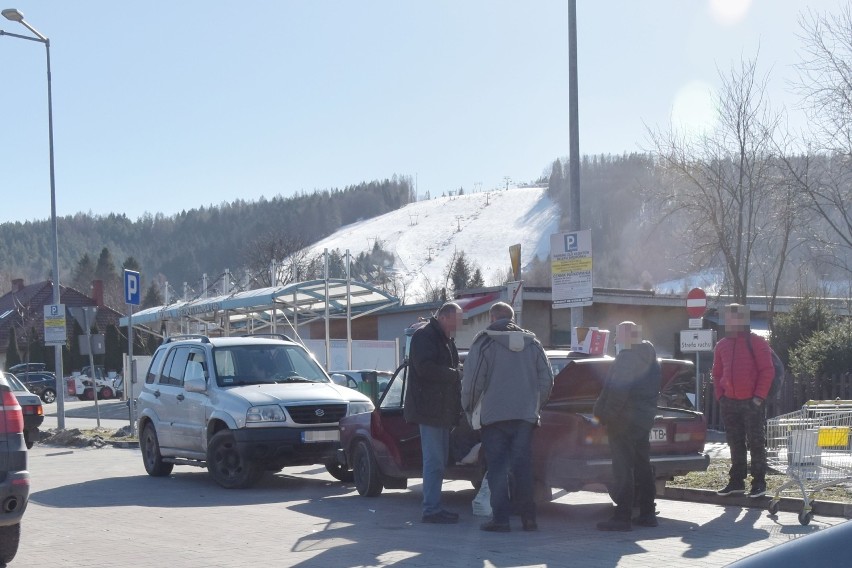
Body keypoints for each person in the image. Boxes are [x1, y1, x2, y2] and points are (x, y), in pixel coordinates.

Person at [461, 302, 553, 533]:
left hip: (493, 418)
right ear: (513, 319)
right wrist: (535, 406)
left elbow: (472, 383)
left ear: (492, 318)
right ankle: (529, 518)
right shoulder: (533, 344)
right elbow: (547, 380)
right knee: (523, 468)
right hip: (525, 417)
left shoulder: (485, 343)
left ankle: (501, 519)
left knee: (497, 469)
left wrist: (469, 408)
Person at [593, 321, 662, 532]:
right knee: (642, 466)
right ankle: (648, 513)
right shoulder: (652, 358)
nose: (615, 340)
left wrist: (604, 416)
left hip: (623, 421)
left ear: (626, 337)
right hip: (643, 420)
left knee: (622, 469)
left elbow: (618, 392)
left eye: (617, 335)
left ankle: (622, 516)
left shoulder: (627, 358)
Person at [403, 302, 463, 524]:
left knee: (439, 461)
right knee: (434, 461)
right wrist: (454, 375)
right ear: (445, 317)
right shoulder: (425, 336)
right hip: (429, 411)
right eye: (458, 318)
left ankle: (434, 506)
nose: (460, 324)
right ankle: (431, 509)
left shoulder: (444, 338)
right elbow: (424, 368)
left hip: (441, 411)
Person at [712, 303, 774, 498]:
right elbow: (716, 373)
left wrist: (758, 397)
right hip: (729, 401)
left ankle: (759, 483)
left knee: (756, 443)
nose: (732, 321)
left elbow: (768, 370)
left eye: (736, 317)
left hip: (751, 402)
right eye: (729, 317)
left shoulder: (757, 342)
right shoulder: (721, 344)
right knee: (735, 442)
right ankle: (736, 482)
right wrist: (721, 396)